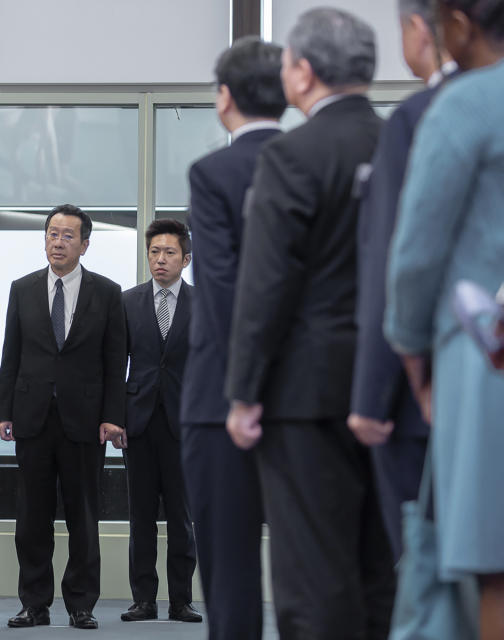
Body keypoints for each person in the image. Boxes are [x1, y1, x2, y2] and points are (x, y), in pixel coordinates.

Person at [224, 8, 396, 638]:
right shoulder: (400, 142)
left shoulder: (293, 154)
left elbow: (266, 281)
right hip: (393, 384)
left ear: (304, 71)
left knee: (311, 575)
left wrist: (244, 391)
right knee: (380, 565)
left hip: (305, 393)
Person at [385, 1, 504, 635]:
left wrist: (411, 351)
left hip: (486, 358)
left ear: (457, 24)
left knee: (493, 565)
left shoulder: (461, 105)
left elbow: (415, 254)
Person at [179, 36, 286, 640]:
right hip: (310, 393)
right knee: (312, 565)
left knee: (229, 568)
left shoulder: (215, 172)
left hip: (223, 396)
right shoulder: (315, 159)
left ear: (224, 99)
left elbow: (219, 292)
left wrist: (244, 390)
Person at [348, 0, 455, 560]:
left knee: (430, 566)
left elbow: (398, 265)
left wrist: (371, 395)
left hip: (433, 391)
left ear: (421, 29)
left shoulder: (421, 118)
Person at [0, 204, 126, 630]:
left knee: (83, 517)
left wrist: (112, 416)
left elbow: (114, 360)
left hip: (85, 420)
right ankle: (34, 603)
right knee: (31, 518)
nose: (58, 241)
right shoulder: (22, 288)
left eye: (68, 235)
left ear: (85, 244)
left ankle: (81, 604)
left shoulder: (107, 292)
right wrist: (3, 411)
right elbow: (11, 353)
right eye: (52, 233)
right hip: (32, 416)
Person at [120, 219, 200, 624]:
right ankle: (144, 600)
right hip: (138, 422)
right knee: (141, 517)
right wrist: (114, 419)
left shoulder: (202, 302)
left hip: (185, 423)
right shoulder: (128, 301)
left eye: (169, 253)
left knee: (182, 518)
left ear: (186, 259)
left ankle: (182, 600)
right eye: (154, 252)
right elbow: (114, 364)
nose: (160, 259)